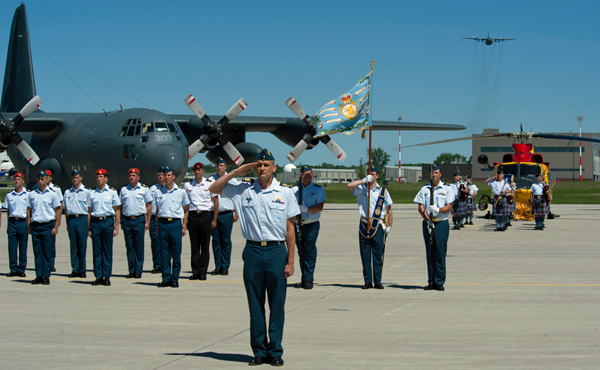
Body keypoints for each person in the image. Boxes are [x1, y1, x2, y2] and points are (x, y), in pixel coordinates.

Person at [209, 149, 299, 367]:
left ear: (274, 168)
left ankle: (275, 350)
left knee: (276, 305)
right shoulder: (243, 190)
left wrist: (290, 261)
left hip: (277, 251)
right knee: (255, 305)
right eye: (259, 164)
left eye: (266, 164)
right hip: (253, 252)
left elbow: (290, 229)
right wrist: (236, 171)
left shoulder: (285, 193)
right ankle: (259, 350)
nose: (262, 168)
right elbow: (213, 188)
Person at [347, 165, 393, 290]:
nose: (371, 176)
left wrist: (390, 225)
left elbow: (389, 209)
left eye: (373, 174)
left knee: (378, 255)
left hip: (377, 225)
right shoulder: (361, 188)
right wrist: (363, 181)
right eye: (369, 174)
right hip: (364, 224)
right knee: (365, 254)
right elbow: (349, 186)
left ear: (377, 176)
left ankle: (377, 281)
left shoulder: (383, 191)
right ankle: (367, 281)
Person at [414, 165, 454, 291]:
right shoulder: (424, 189)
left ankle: (439, 281)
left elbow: (449, 207)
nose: (434, 175)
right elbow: (420, 207)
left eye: (436, 173)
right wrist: (427, 220)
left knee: (440, 252)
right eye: (432, 173)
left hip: (441, 222)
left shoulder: (447, 189)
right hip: (428, 223)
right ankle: (431, 281)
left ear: (440, 174)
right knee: (430, 253)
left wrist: (438, 210)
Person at [155, 166, 189, 288]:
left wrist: (184, 226)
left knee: (176, 252)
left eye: (169, 175)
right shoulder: (159, 192)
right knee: (164, 253)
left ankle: (175, 278)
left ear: (173, 176)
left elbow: (186, 210)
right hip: (163, 223)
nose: (166, 177)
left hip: (175, 224)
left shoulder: (181, 192)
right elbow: (157, 210)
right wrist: (158, 227)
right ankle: (166, 278)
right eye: (164, 175)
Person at [292, 165, 325, 290]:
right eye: (303, 174)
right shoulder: (294, 190)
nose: (305, 176)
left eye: (308, 174)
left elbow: (320, 207)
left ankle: (308, 279)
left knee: (310, 251)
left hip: (311, 224)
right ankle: (304, 278)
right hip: (298, 225)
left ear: (312, 175)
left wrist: (306, 209)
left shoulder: (318, 190)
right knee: (301, 252)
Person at [184, 162, 217, 281]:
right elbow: (186, 205)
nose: (197, 172)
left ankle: (203, 272)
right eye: (195, 170)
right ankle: (195, 271)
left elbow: (215, 201)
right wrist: (185, 221)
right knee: (194, 245)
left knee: (205, 245)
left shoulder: (209, 184)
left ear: (202, 171)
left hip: (205, 215)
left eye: (199, 170)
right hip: (193, 216)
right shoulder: (188, 185)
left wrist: (214, 219)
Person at [87, 169, 121, 286]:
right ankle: (98, 276)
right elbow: (89, 211)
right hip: (96, 222)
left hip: (107, 222)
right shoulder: (92, 193)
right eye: (97, 177)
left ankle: (106, 276)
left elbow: (117, 210)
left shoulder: (112, 192)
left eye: (101, 177)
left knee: (107, 250)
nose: (99, 179)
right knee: (97, 251)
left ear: (106, 179)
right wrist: (89, 228)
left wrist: (116, 226)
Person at [28, 170, 62, 285]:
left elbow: (58, 209)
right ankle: (39, 275)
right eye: (39, 179)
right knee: (37, 252)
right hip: (36, 225)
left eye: (42, 179)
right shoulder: (32, 194)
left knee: (47, 252)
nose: (40, 181)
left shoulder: (52, 194)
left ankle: (46, 275)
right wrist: (29, 225)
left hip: (47, 225)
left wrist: (56, 226)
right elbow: (29, 210)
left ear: (46, 180)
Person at [120, 168, 152, 278]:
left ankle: (138, 271)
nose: (131, 177)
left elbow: (148, 205)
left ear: (138, 177)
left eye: (134, 175)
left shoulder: (144, 189)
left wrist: (147, 221)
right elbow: (120, 206)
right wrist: (121, 221)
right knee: (129, 246)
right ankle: (131, 270)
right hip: (127, 219)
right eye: (130, 175)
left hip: (139, 220)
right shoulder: (124, 190)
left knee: (139, 246)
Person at [209, 157, 238, 276]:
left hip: (227, 214)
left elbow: (237, 197)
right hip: (214, 214)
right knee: (216, 241)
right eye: (217, 166)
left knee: (225, 241)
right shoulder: (210, 180)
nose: (219, 168)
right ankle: (218, 266)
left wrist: (236, 213)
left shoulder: (232, 180)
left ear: (226, 167)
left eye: (221, 166)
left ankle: (225, 266)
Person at [63, 169, 91, 278]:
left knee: (82, 245)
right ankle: (75, 269)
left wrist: (89, 225)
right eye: (73, 177)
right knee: (73, 245)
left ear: (81, 178)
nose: (75, 179)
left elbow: (89, 210)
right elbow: (65, 210)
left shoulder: (86, 191)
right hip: (71, 219)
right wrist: (67, 223)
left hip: (82, 219)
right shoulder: (68, 192)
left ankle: (82, 269)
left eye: (77, 177)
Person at [3, 172, 29, 277]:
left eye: (19, 179)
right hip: (13, 222)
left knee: (23, 247)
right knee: (12, 247)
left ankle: (22, 269)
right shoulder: (9, 195)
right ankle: (13, 268)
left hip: (23, 222)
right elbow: (8, 211)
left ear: (23, 181)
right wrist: (8, 225)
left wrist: (28, 224)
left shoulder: (27, 194)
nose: (17, 181)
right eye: (15, 179)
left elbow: (29, 211)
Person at [148, 166, 166, 274]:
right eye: (159, 175)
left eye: (162, 175)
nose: (160, 177)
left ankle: (165, 264)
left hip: (164, 218)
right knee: (155, 242)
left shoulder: (167, 189)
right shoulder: (152, 189)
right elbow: (149, 205)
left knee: (164, 242)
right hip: (154, 218)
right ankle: (157, 265)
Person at [46, 170, 62, 273]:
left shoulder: (55, 189)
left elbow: (59, 207)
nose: (46, 179)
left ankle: (51, 264)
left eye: (48, 177)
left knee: (51, 244)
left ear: (51, 178)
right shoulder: (38, 190)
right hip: (42, 219)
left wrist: (58, 221)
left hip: (51, 219)